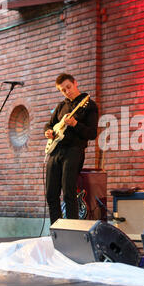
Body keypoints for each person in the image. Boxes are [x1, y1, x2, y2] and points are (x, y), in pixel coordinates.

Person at [44, 73, 98, 225]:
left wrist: (75, 124)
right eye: (63, 90)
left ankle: (72, 230)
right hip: (55, 151)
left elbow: (92, 133)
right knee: (51, 194)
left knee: (69, 193)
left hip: (74, 150)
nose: (67, 91)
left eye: (68, 87)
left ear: (75, 83)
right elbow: (49, 124)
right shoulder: (61, 106)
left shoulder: (89, 105)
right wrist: (48, 132)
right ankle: (56, 229)